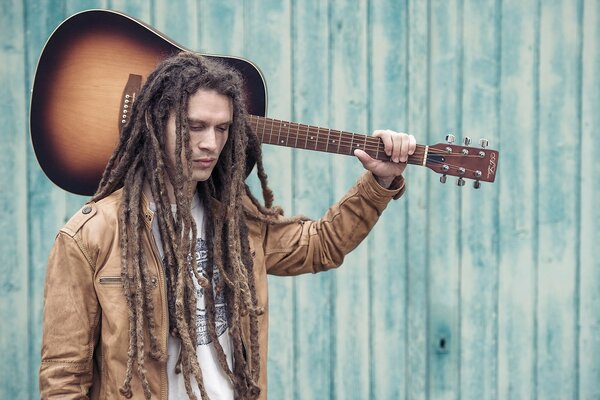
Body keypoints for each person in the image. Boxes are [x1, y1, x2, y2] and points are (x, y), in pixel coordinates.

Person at [39, 52, 416, 400]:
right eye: (195, 126)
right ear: (155, 123)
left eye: (222, 129)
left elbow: (320, 246)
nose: (210, 143)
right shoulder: (90, 235)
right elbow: (64, 377)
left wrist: (378, 183)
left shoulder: (237, 224)